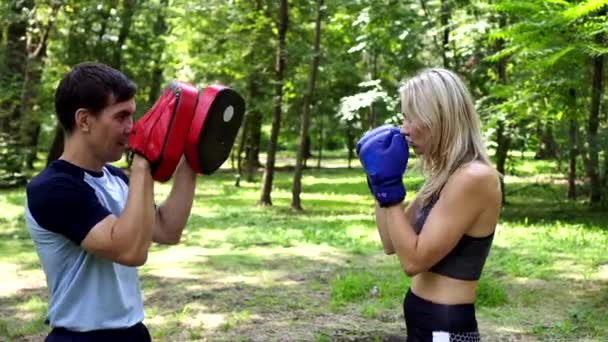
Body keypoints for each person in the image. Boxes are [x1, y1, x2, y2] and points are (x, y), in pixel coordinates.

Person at [25, 62, 197, 341]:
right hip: (81, 337)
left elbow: (167, 229)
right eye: (121, 116)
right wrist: (142, 163)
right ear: (84, 121)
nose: (131, 127)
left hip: (133, 331)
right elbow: (130, 251)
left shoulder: (115, 178)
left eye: (132, 115)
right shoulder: (52, 189)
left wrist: (192, 160)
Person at [356, 68, 502, 341]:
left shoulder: (473, 178)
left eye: (411, 118)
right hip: (425, 320)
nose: (404, 129)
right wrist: (380, 182)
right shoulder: (445, 175)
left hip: (445, 327)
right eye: (403, 118)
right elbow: (391, 243)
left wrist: (390, 190)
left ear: (438, 118)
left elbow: (413, 261)